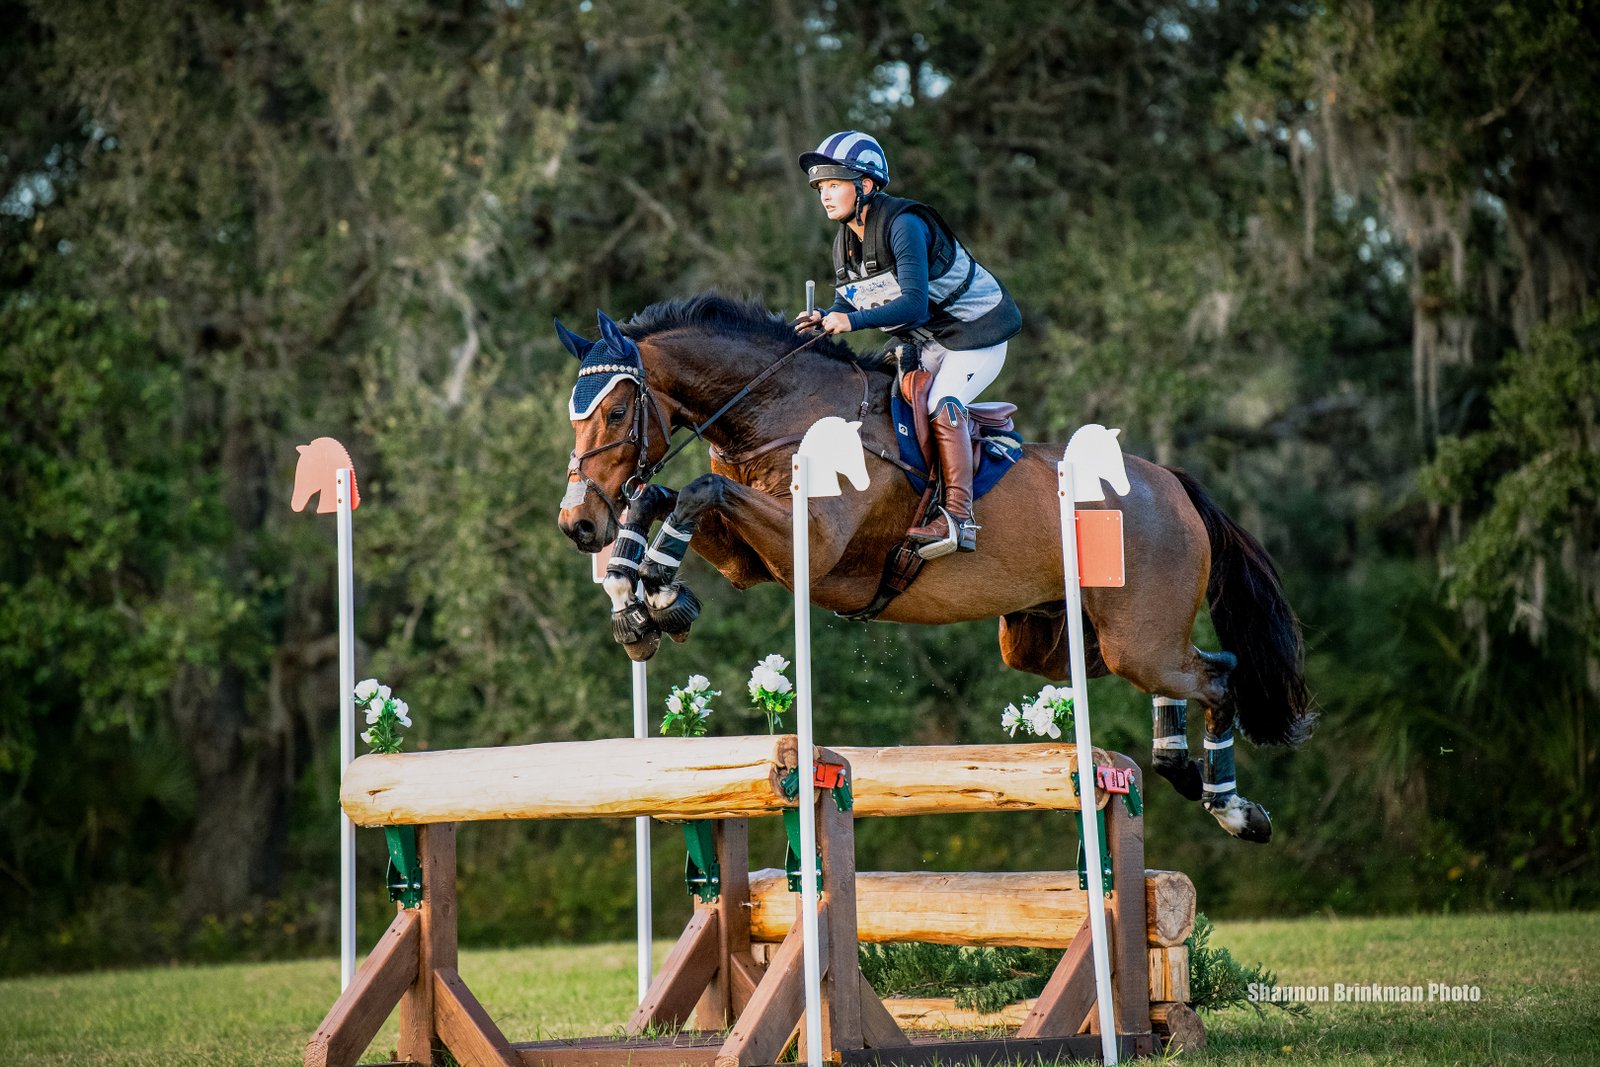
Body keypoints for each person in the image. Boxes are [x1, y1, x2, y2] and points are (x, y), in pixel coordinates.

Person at [795, 130, 1021, 553]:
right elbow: (851, 297)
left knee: (939, 403)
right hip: (933, 340)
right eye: (821, 187)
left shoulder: (905, 224)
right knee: (890, 400)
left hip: (978, 333)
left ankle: (958, 518)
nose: (825, 195)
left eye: (834, 184)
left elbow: (913, 305)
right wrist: (825, 316)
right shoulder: (845, 241)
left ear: (865, 186)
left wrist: (851, 321)